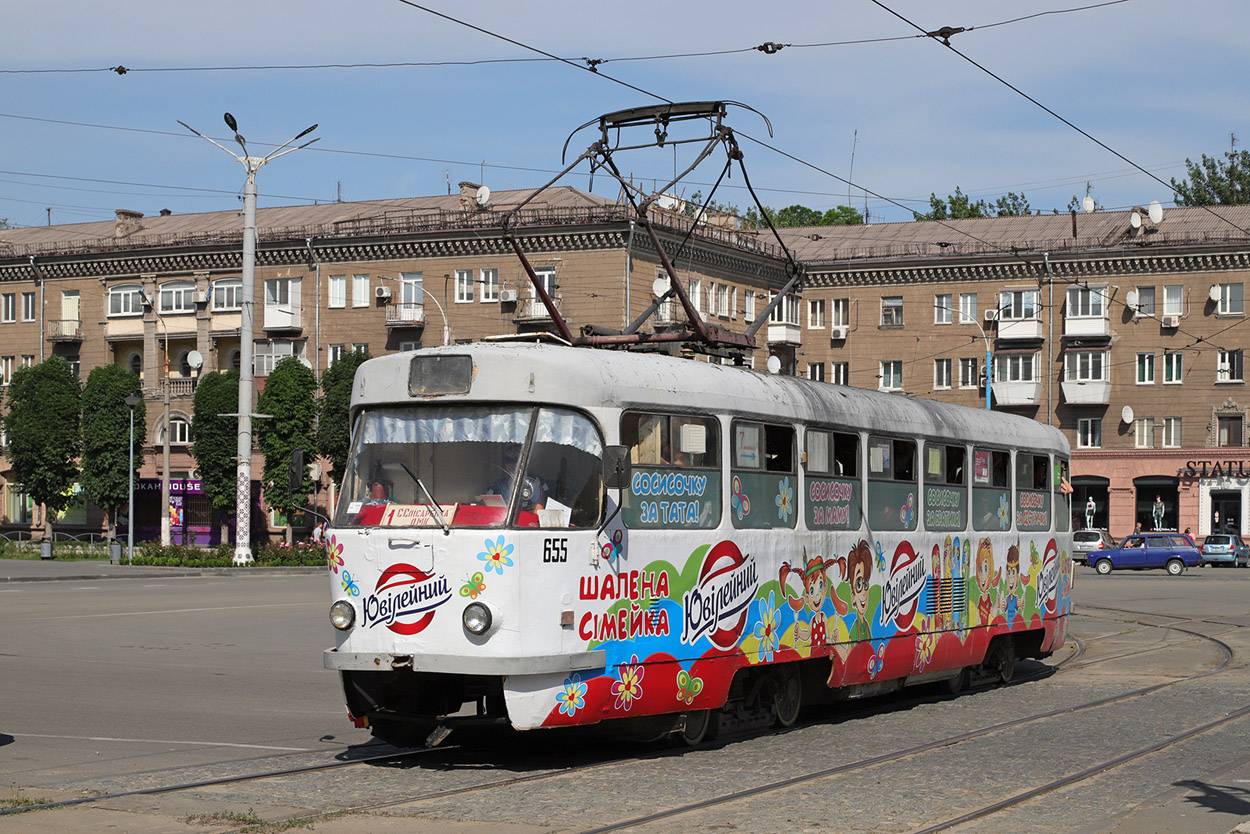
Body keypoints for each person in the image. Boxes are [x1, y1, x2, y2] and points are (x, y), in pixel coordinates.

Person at [488, 446, 547, 512]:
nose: (511, 464)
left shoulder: (536, 482)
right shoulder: (498, 485)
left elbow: (538, 512)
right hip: (502, 520)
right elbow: (484, 503)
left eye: (516, 460)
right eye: (507, 460)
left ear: (524, 462)